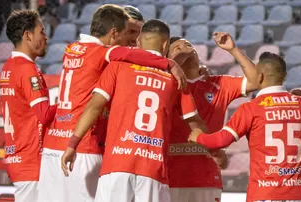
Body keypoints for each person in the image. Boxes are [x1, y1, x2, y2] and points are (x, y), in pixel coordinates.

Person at [38, 4, 186, 202]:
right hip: (84, 145)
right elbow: (127, 55)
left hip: (54, 144)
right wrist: (169, 63)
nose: (130, 41)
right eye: (128, 33)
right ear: (114, 33)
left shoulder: (71, 49)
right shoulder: (105, 55)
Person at [61, 19, 208, 202]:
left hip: (117, 165)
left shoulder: (118, 66)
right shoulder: (176, 77)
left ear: (138, 42)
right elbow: (195, 124)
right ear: (165, 45)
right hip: (153, 170)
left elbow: (94, 106)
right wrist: (215, 148)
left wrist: (72, 144)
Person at [189, 52, 301, 202]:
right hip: (296, 192)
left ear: (260, 76)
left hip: (264, 192)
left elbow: (222, 140)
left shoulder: (250, 108)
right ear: (284, 76)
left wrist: (198, 137)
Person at [167, 33, 259, 202]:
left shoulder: (219, 84)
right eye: (176, 49)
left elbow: (256, 81)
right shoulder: (165, 85)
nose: (185, 50)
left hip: (207, 179)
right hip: (169, 179)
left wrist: (233, 50)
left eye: (188, 45)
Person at [0, 10, 57, 202]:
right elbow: (44, 115)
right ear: (28, 35)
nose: (46, 37)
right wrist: (69, 103)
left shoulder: (9, 66)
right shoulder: (27, 69)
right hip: (31, 160)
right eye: (42, 31)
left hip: (18, 156)